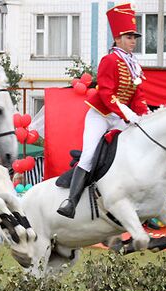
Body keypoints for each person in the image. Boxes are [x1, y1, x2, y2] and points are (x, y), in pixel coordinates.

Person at [57, 2, 149, 219]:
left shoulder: (134, 64)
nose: (133, 41)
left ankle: (140, 205)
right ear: (117, 39)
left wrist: (146, 116)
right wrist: (127, 113)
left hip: (120, 115)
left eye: (134, 37)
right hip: (101, 115)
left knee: (137, 151)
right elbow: (107, 94)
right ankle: (71, 202)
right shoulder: (109, 60)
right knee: (89, 155)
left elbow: (138, 96)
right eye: (129, 37)